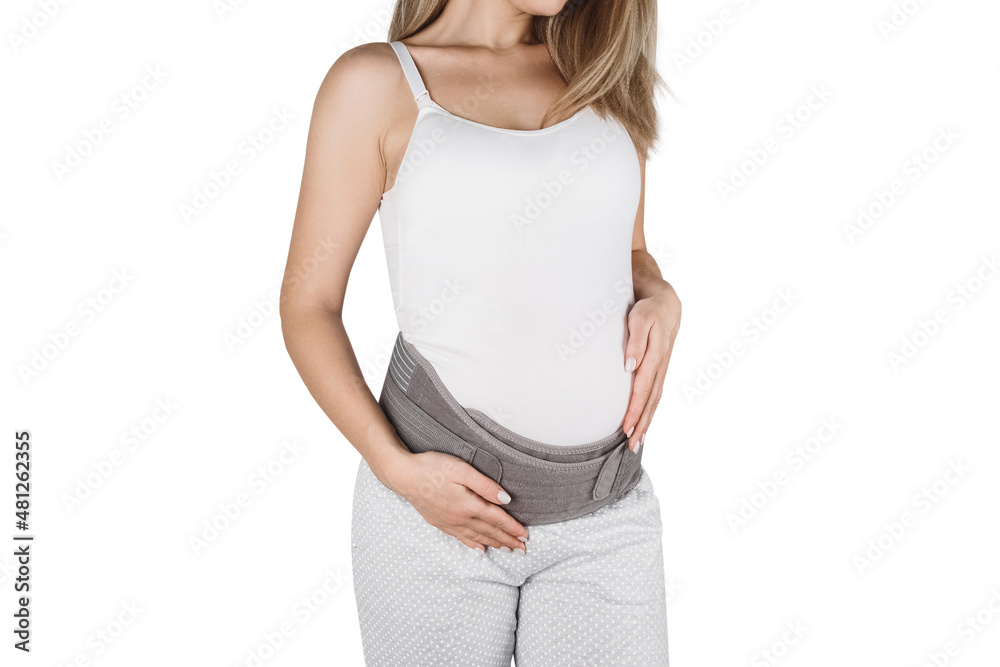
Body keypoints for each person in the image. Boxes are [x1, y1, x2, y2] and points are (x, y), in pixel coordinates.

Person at [279, 0, 681, 664]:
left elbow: (629, 252)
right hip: (433, 517)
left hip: (605, 515)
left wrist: (661, 295)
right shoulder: (377, 85)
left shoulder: (601, 74)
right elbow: (308, 305)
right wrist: (397, 469)